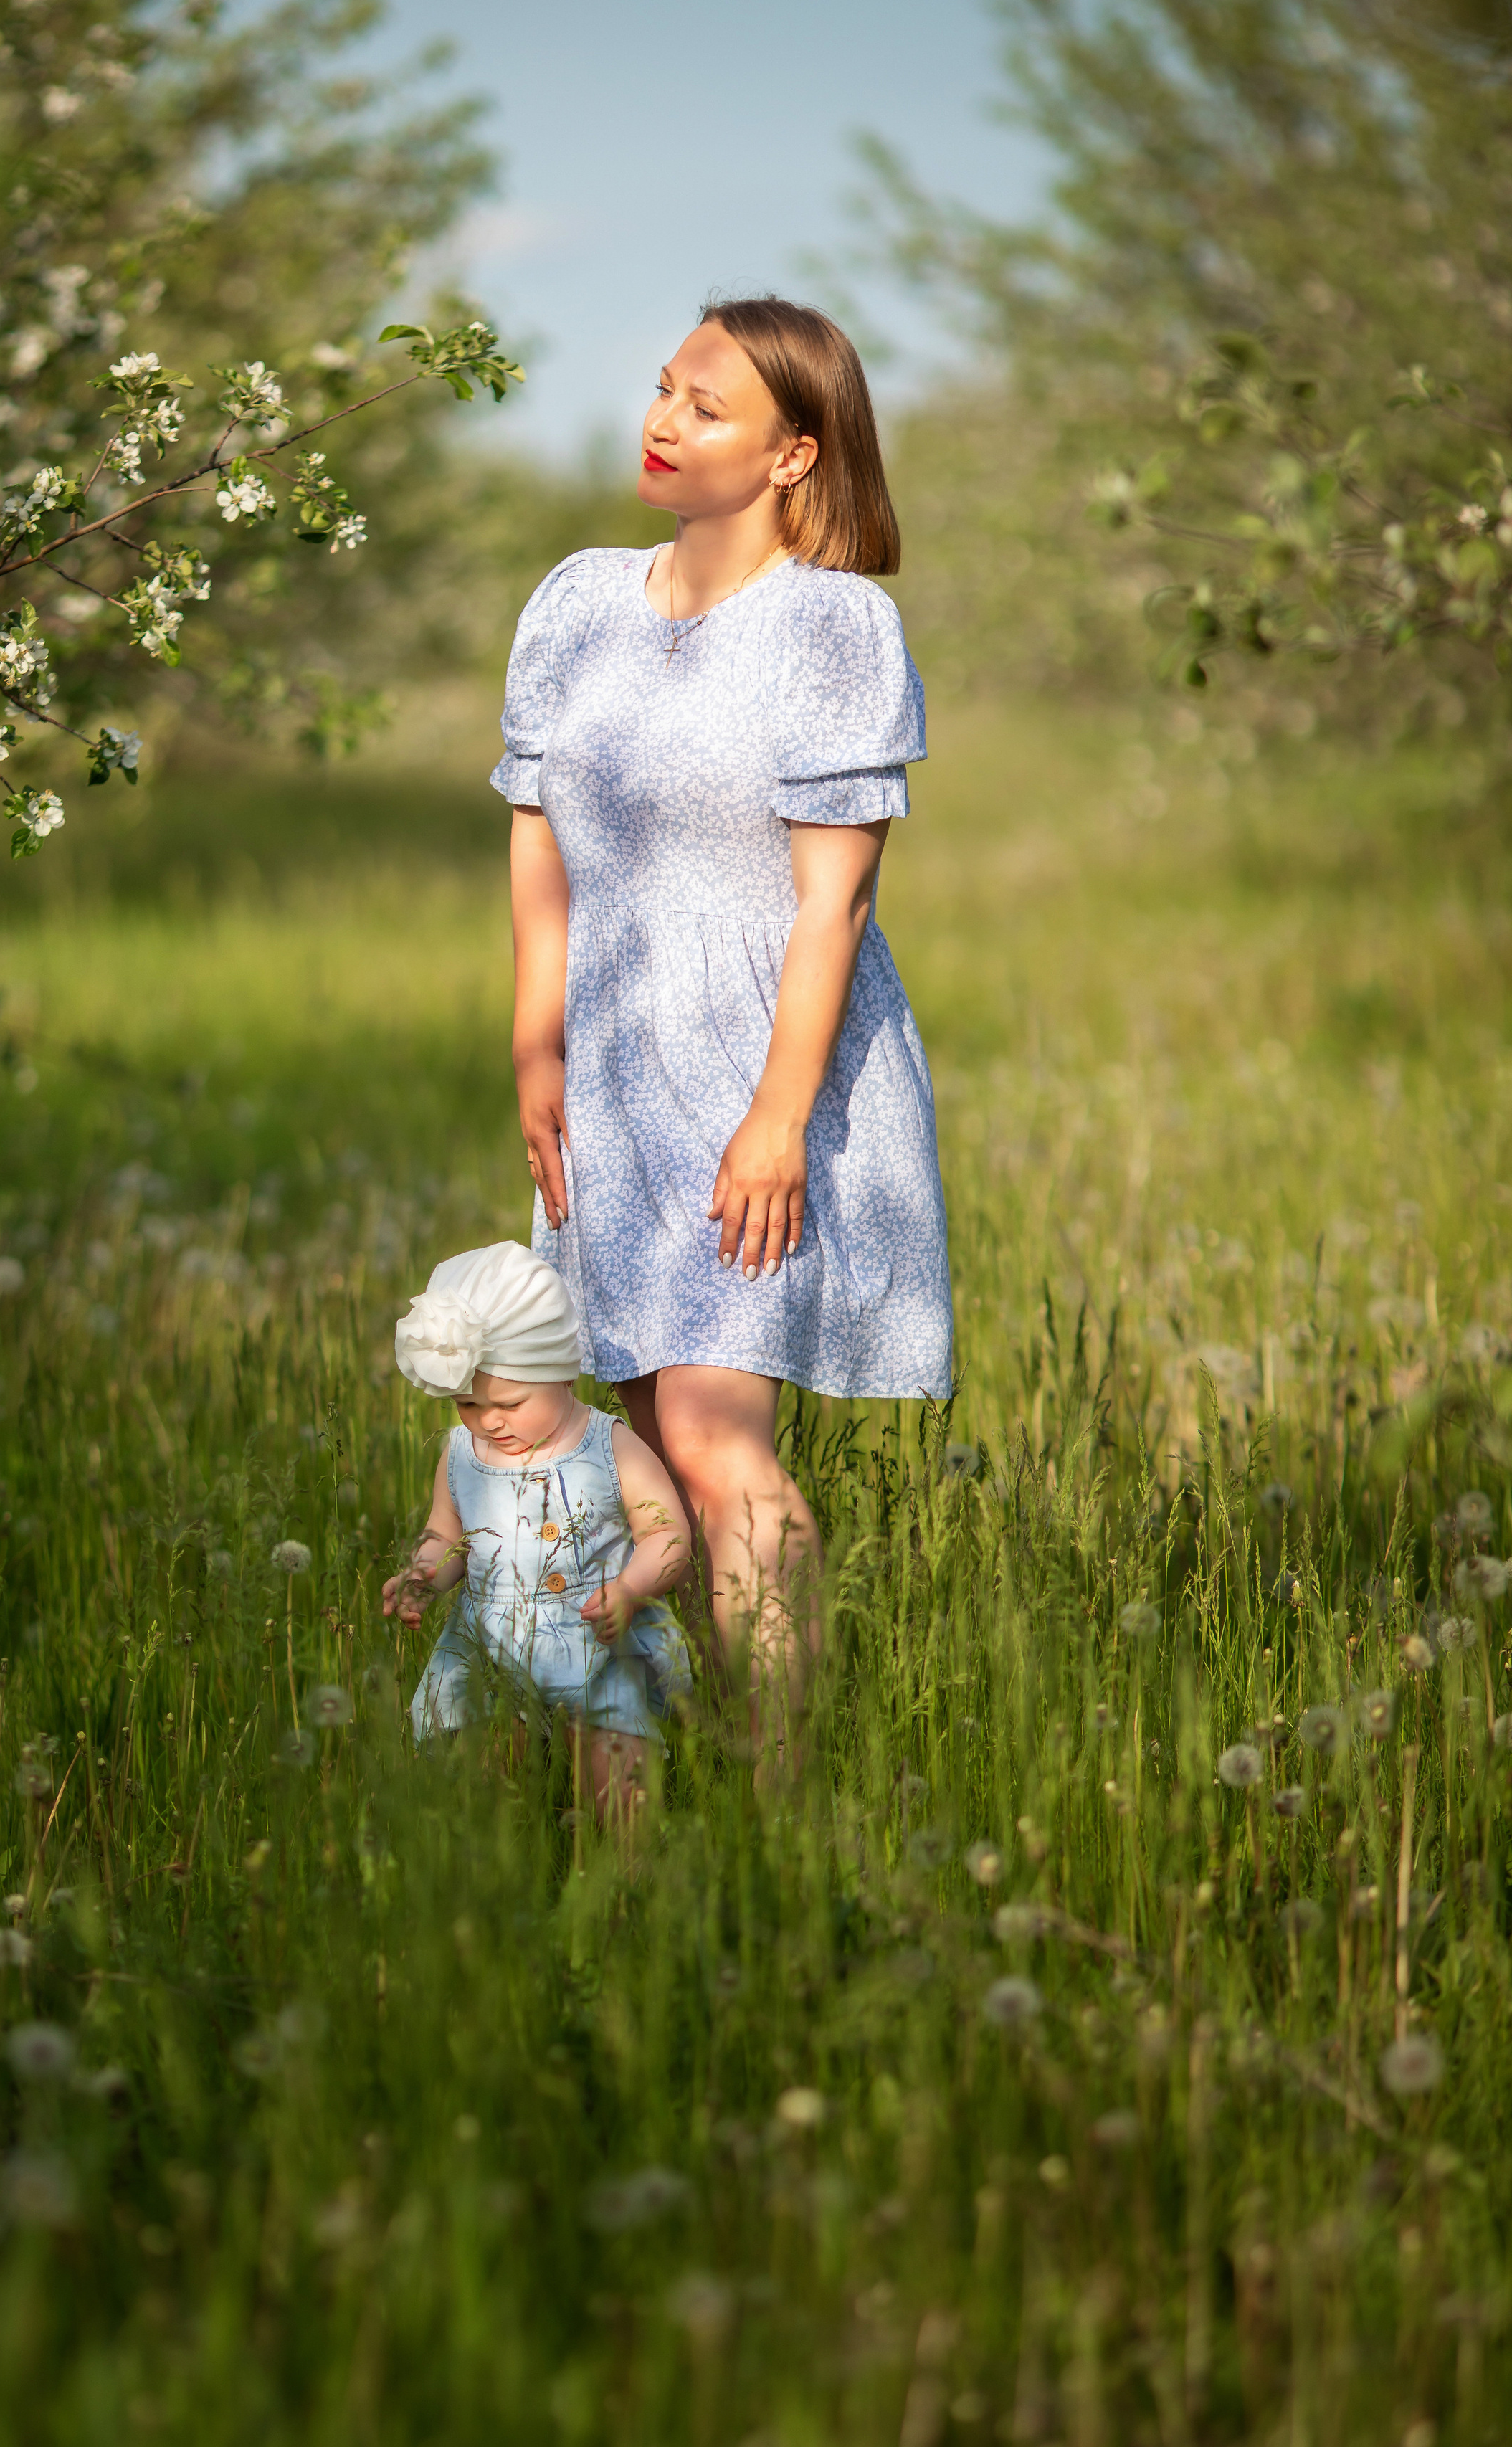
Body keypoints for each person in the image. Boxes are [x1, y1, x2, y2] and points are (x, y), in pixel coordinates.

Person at [498, 295, 953, 1766]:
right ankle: (642, 1787)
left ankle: (781, 1792)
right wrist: (535, 1047)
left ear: (790, 453)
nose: (660, 421)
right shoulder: (574, 601)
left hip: (772, 1058)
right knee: (630, 1459)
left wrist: (776, 1113)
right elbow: (537, 844)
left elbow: (833, 903)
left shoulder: (833, 625)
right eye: (659, 390)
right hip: (610, 1056)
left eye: (703, 405)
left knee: (708, 1433)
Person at [384, 1240, 692, 1820]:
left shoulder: (610, 1444)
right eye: (467, 1404)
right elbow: (446, 1534)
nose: (489, 1420)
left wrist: (630, 1589)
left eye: (509, 1402)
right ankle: (505, 1865)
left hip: (593, 1637)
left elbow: (668, 1536)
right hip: (491, 1641)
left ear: (561, 1371)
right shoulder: (460, 1453)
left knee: (618, 1775)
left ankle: (630, 1881)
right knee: (484, 1770)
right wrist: (425, 1572)